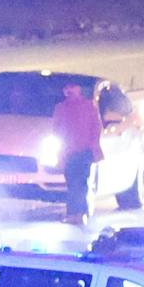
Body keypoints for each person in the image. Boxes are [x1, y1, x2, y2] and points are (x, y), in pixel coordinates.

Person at [52, 80, 105, 225]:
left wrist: (92, 145)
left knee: (78, 183)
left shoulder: (86, 107)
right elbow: (56, 130)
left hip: (81, 151)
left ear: (78, 89)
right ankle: (78, 213)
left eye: (72, 87)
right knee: (76, 183)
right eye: (67, 87)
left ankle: (76, 214)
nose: (69, 90)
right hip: (73, 152)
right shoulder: (62, 108)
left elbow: (96, 128)